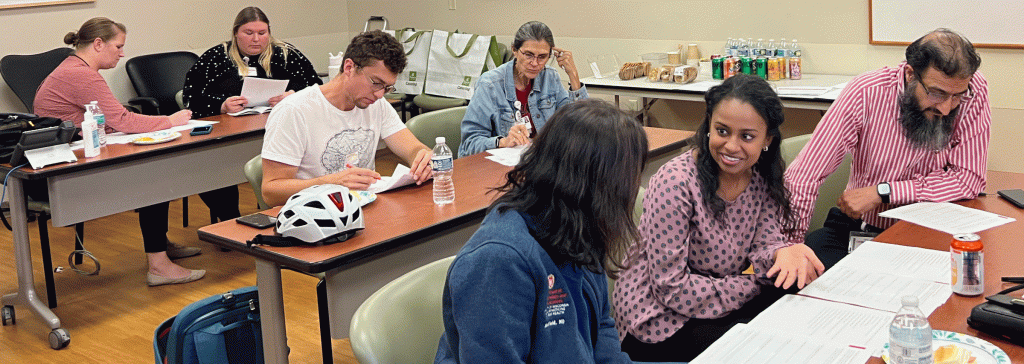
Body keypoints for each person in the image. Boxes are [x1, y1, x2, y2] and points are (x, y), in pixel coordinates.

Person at [613, 74, 824, 363]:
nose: (731, 146)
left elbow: (765, 244)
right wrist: (752, 283)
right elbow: (671, 289)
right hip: (658, 318)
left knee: (796, 306)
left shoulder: (760, 178)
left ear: (767, 140)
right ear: (708, 126)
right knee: (761, 348)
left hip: (718, 296)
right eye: (722, 131)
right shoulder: (675, 183)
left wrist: (783, 252)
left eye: (747, 136)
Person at [435, 99, 645, 363]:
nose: (630, 190)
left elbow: (601, 327)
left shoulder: (580, 224)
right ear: (592, 185)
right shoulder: (498, 260)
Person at [784, 28, 989, 269]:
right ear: (911, 74)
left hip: (931, 233)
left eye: (956, 97)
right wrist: (791, 246)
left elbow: (968, 180)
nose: (946, 109)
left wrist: (884, 192)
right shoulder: (866, 93)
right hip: (861, 230)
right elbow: (803, 176)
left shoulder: (973, 90)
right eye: (937, 94)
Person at [33, 17, 204, 286]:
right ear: (98, 44)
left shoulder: (74, 68)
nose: (122, 54)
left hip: (74, 159)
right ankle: (158, 265)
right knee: (154, 177)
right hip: (63, 176)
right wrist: (172, 120)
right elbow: (122, 120)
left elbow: (105, 120)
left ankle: (160, 245)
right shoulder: (80, 74)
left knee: (155, 169)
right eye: (118, 46)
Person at [260, 30, 431, 207]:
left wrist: (423, 157)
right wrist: (332, 182)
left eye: (387, 87)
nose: (380, 94)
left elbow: (412, 148)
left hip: (362, 208)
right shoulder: (294, 111)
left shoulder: (375, 104)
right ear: (349, 68)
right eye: (376, 83)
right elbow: (271, 192)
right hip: (314, 215)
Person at [458, 21, 587, 157]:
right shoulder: (490, 84)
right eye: (528, 54)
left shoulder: (549, 77)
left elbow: (580, 125)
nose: (535, 63)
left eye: (542, 57)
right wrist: (503, 141)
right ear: (514, 50)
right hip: (500, 166)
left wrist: (573, 75)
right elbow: (469, 145)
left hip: (540, 160)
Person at [182, 6, 322, 118]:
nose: (256, 39)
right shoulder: (215, 58)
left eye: (262, 33)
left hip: (281, 119)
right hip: (230, 126)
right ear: (236, 32)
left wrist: (294, 96)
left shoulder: (286, 54)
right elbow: (190, 98)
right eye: (248, 33)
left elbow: (317, 87)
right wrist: (222, 106)